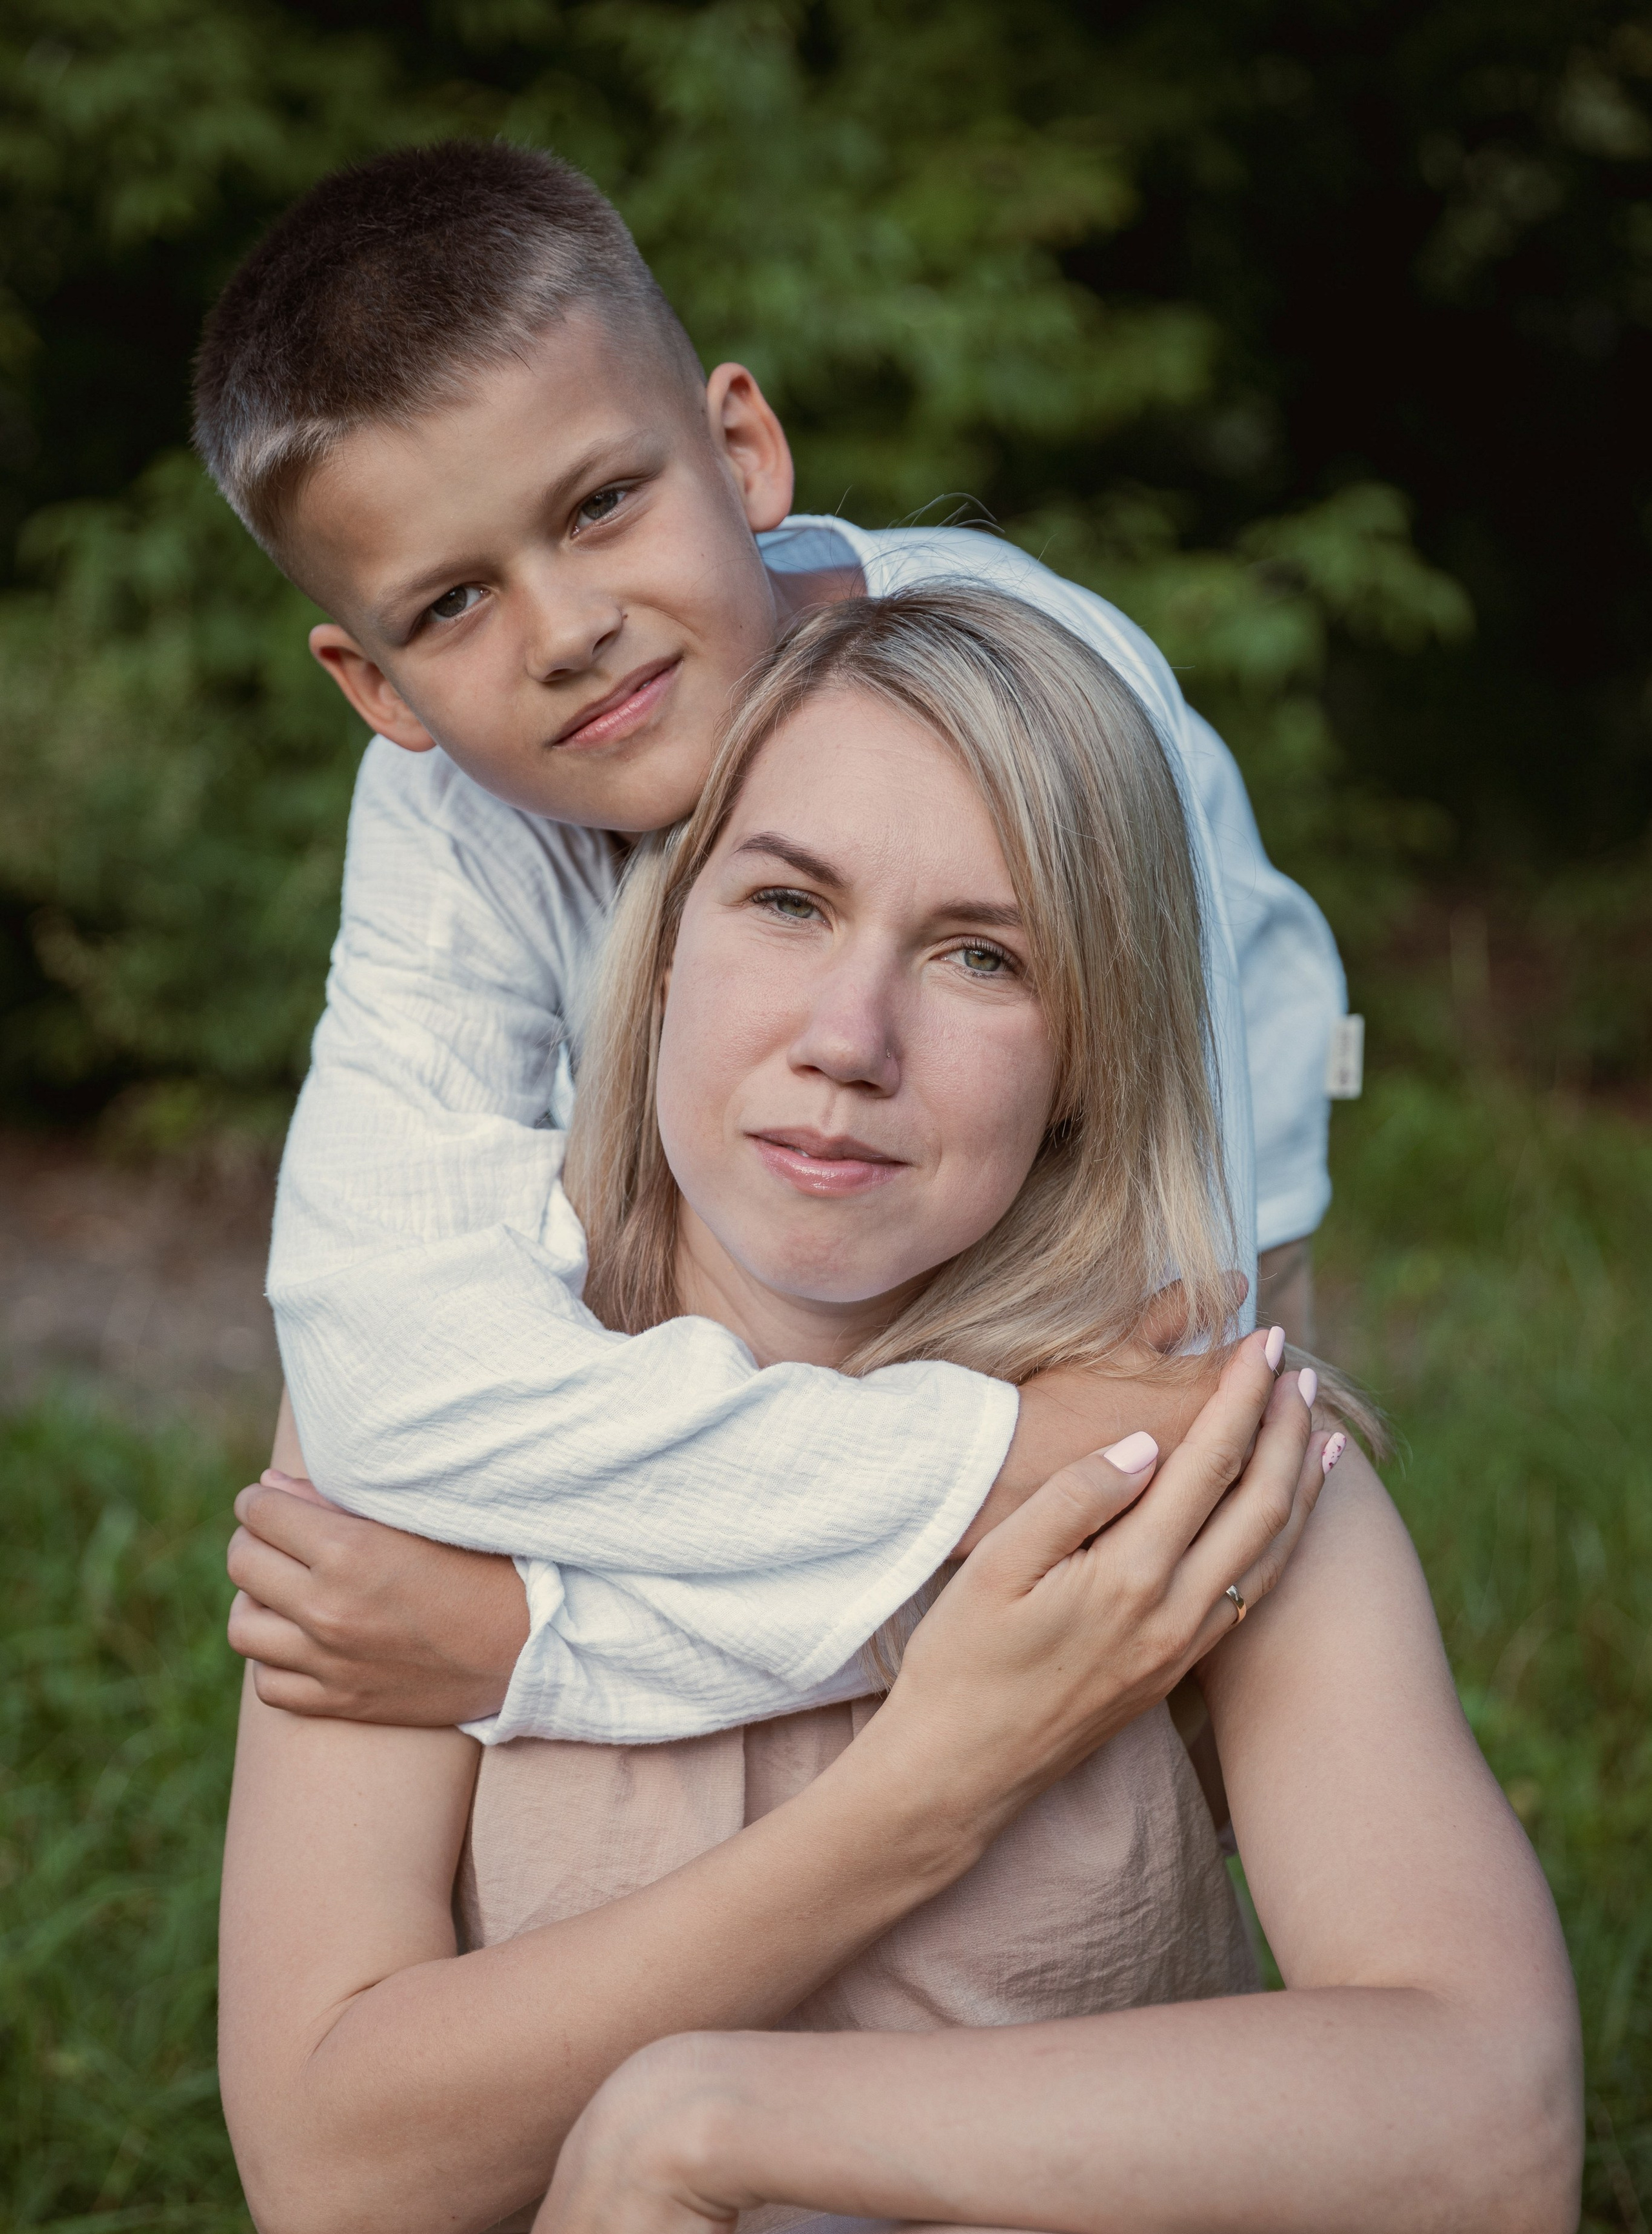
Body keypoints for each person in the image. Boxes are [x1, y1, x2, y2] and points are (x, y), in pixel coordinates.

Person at [218, 589, 1581, 2234]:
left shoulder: (1195, 1450)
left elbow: (1491, 2121)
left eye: (979, 956)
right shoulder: (429, 1419)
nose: (848, 1038)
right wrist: (917, 1797)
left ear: (1088, 1046)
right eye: (786, 902)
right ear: (660, 946)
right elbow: (325, 2178)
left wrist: (711, 2126)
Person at [195, 137, 1349, 1747]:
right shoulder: (449, 813)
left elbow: (1131, 1499)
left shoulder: (1038, 698)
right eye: (451, 603)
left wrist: (531, 1647)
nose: (566, 630)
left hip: (1125, 1189)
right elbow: (393, 1388)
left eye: (601, 505)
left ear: (739, 451)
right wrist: (986, 1462)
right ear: (376, 686)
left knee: (1184, 1704)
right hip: (771, 1208)